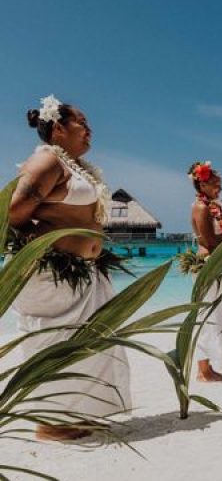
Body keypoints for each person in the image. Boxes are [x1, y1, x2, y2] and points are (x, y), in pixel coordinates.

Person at [9, 95, 130, 440]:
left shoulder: (75, 167)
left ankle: (74, 415)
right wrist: (51, 243)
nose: (89, 129)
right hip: (55, 275)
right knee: (55, 344)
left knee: (87, 347)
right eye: (82, 122)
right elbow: (15, 212)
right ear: (58, 128)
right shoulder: (47, 161)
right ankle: (50, 423)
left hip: (82, 272)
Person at [188, 161, 222, 382]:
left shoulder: (213, 207)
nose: (219, 189)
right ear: (203, 184)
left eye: (220, 184)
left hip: (218, 263)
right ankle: (203, 371)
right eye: (215, 184)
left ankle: (208, 368)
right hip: (209, 265)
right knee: (207, 316)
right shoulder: (201, 207)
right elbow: (208, 240)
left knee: (218, 315)